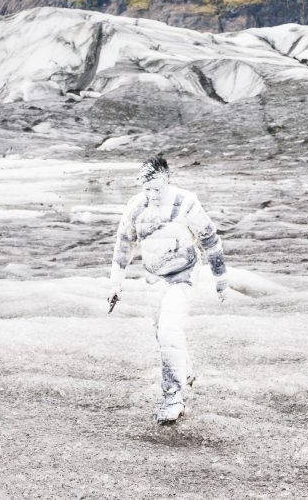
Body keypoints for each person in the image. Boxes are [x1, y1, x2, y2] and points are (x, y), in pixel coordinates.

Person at [108, 155, 228, 425]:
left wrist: (221, 278)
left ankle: (173, 397)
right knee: (162, 334)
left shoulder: (186, 203)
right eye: (146, 188)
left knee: (169, 329)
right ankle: (183, 367)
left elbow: (210, 240)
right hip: (153, 278)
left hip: (183, 274)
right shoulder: (136, 207)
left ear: (168, 180)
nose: (151, 194)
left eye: (156, 188)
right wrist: (116, 282)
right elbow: (124, 244)